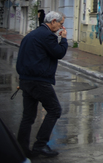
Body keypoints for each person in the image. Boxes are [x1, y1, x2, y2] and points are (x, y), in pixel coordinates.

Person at [16, 11, 68, 158]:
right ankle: (40, 146)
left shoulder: (33, 34)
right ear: (53, 21)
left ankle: (21, 149)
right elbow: (58, 53)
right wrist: (63, 40)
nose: (61, 27)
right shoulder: (47, 35)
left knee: (28, 116)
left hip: (26, 79)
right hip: (39, 81)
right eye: (60, 24)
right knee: (55, 110)